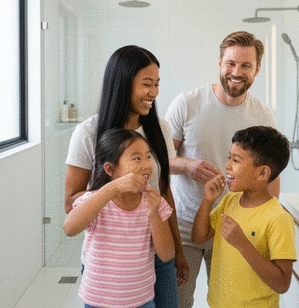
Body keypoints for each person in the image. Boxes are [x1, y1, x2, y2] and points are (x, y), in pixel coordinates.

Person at [64, 45, 188, 307]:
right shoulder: (88, 133)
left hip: (156, 247)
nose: (153, 92)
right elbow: (70, 203)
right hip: (110, 260)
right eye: (146, 84)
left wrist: (177, 250)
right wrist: (115, 189)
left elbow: (165, 192)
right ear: (123, 84)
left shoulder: (160, 129)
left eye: (156, 84)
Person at [165, 30, 280, 308]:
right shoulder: (188, 103)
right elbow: (160, 161)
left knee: (228, 302)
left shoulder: (262, 116)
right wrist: (188, 165)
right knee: (177, 303)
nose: (236, 72)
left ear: (257, 69)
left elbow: (271, 178)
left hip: (232, 229)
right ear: (219, 63)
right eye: (230, 63)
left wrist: (268, 223)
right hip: (183, 226)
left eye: (246, 65)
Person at [63, 128, 175, 308]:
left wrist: (154, 214)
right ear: (110, 168)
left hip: (141, 301)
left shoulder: (154, 202)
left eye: (148, 156)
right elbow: (69, 228)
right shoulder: (96, 200)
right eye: (137, 158)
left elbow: (167, 254)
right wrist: (111, 189)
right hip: (97, 301)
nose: (146, 165)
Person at [192, 126, 297, 307]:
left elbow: (282, 284)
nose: (227, 165)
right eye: (229, 158)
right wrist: (207, 201)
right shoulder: (230, 201)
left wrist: (242, 244)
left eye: (236, 160)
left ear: (262, 173)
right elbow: (199, 237)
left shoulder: (278, 219)